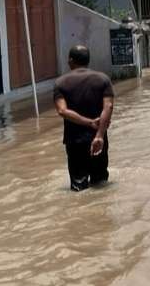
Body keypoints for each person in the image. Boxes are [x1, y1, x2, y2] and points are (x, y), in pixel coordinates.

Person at [53, 45, 114, 192]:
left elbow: (62, 110)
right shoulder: (103, 79)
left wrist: (89, 122)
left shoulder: (61, 83)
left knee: (79, 188)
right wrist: (99, 134)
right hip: (98, 140)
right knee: (101, 185)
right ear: (88, 60)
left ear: (70, 61)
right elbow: (109, 107)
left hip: (74, 141)